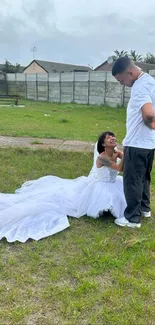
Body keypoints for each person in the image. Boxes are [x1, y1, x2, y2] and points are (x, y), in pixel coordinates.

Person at [0, 131, 126, 243]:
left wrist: (124, 154)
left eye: (114, 137)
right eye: (109, 138)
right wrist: (127, 152)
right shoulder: (102, 157)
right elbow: (120, 168)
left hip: (112, 182)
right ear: (103, 144)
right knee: (66, 199)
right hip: (98, 185)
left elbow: (124, 166)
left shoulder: (116, 152)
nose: (113, 138)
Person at [111, 56, 155, 228]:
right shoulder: (150, 81)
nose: (122, 83)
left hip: (137, 143)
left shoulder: (139, 87)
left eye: (121, 80)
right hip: (149, 143)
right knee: (144, 178)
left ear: (129, 72)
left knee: (132, 181)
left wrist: (151, 124)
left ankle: (132, 218)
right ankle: (145, 209)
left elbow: (149, 115)